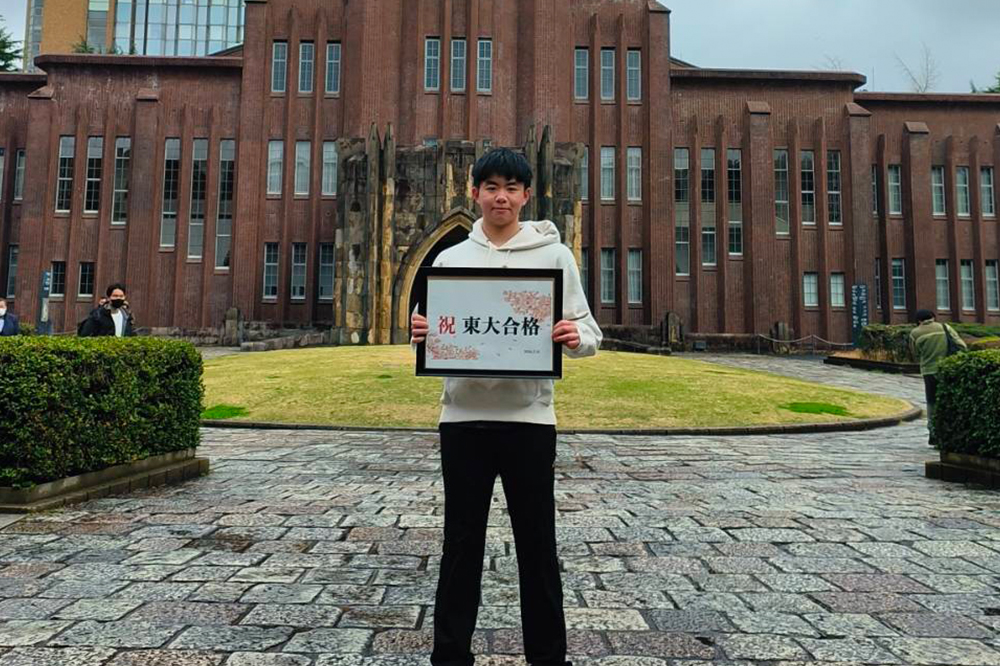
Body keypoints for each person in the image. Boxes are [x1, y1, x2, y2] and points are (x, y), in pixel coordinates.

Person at [411, 148, 602, 666]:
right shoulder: (450, 260)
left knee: (537, 546)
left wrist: (574, 337)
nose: (501, 197)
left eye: (511, 188)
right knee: (460, 546)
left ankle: (548, 658)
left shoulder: (553, 257)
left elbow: (589, 331)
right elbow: (429, 336)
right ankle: (450, 656)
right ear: (474, 193)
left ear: (525, 195)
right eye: (491, 187)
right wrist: (420, 334)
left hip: (529, 422)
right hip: (463, 421)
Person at [909, 309, 966, 428]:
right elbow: (962, 346)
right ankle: (951, 425)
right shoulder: (945, 327)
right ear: (933, 317)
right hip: (948, 368)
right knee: (950, 397)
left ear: (918, 320)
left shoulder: (915, 333)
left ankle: (933, 427)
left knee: (931, 400)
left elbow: (915, 354)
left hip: (929, 370)